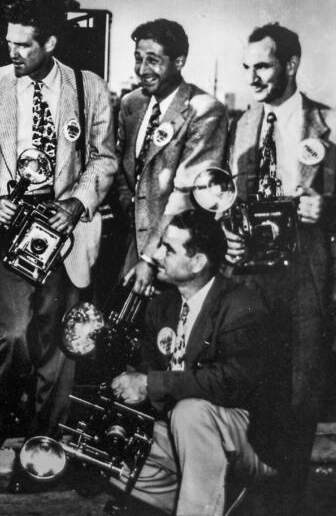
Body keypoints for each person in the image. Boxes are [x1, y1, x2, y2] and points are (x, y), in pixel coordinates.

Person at [0, 0, 116, 493]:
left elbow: (105, 158)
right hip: (8, 230)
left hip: (64, 232)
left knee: (59, 348)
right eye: (8, 41)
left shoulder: (88, 88)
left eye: (24, 43)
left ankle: (39, 452)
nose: (13, 51)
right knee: (12, 335)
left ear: (51, 42)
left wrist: (75, 204)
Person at [225, 22, 336, 511]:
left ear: (291, 64)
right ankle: (248, 489)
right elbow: (229, 198)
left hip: (305, 267)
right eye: (246, 67)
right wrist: (228, 233)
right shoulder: (243, 124)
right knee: (250, 377)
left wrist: (328, 206)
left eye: (263, 66)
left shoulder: (328, 124)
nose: (253, 77)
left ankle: (288, 497)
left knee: (300, 384)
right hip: (250, 268)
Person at [110, 209, 284, 515]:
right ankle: (213, 495)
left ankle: (202, 501)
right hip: (187, 433)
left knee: (190, 414)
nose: (158, 254)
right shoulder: (161, 305)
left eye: (169, 249)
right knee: (110, 449)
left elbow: (231, 382)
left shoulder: (241, 303)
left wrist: (151, 383)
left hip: (246, 437)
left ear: (198, 262)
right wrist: (131, 384)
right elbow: (149, 373)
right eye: (161, 244)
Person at [115, 19, 227, 296]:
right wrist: (129, 207)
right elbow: (119, 165)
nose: (142, 70)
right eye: (138, 59)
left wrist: (151, 258)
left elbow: (186, 192)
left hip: (170, 255)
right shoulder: (131, 103)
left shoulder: (204, 110)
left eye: (153, 60)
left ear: (179, 61)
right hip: (128, 245)